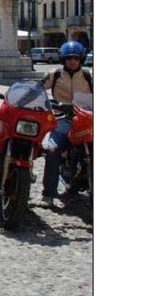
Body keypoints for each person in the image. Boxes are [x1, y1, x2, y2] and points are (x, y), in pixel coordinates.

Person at [38, 40, 93, 208]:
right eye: (69, 58)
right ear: (63, 59)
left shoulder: (88, 75)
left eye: (76, 58)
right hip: (62, 119)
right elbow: (38, 89)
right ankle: (48, 194)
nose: (72, 61)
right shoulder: (55, 74)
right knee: (53, 150)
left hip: (86, 118)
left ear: (81, 59)